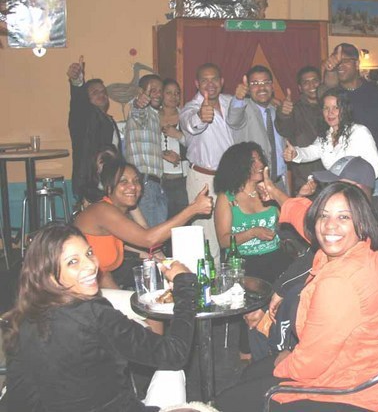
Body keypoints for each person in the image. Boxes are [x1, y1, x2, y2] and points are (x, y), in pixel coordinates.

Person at [216, 182, 378, 412]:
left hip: (348, 390)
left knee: (227, 401)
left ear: (361, 223)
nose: (330, 226)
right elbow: (302, 213)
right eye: (324, 215)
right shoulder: (364, 247)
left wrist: (286, 362)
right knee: (252, 373)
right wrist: (276, 193)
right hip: (365, 369)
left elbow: (310, 365)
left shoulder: (339, 283)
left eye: (343, 217)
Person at [1, 223, 197, 412]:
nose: (91, 265)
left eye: (88, 253)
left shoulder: (22, 321)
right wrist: (184, 284)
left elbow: (20, 402)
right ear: (50, 276)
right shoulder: (94, 316)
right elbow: (175, 354)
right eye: (72, 262)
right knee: (174, 372)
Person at [74, 159, 213, 289]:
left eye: (136, 181)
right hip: (82, 286)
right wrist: (193, 209)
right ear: (109, 188)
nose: (132, 186)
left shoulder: (116, 210)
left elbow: (121, 244)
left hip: (101, 279)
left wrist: (153, 257)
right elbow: (148, 239)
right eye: (123, 181)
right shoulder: (103, 210)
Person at [214, 142, 291, 359]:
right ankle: (249, 355)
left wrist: (290, 196)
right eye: (252, 161)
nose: (259, 164)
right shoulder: (228, 198)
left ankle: (281, 348)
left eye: (260, 159)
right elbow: (223, 240)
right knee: (253, 303)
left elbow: (289, 219)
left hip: (275, 256)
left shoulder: (269, 190)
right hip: (244, 262)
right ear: (239, 165)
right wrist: (252, 232)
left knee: (287, 295)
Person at [323, 43, 378, 205]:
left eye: (345, 61)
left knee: (376, 219)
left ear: (357, 64)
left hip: (375, 177)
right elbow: (327, 85)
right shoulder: (333, 96)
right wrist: (330, 69)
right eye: (336, 62)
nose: (340, 66)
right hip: (340, 178)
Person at [180, 63, 234, 266]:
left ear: (222, 82)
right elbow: (191, 123)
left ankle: (235, 278)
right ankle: (212, 281)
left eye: (214, 79)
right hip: (204, 179)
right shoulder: (190, 108)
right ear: (197, 83)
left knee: (235, 231)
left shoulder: (231, 102)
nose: (210, 84)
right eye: (204, 80)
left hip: (233, 178)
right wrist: (201, 117)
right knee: (208, 236)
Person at [283, 87, 378, 179]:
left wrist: (353, 181)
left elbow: (377, 168)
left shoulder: (359, 132)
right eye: (326, 108)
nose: (330, 112)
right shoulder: (326, 136)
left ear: (345, 109)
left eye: (336, 107)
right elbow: (311, 151)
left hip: (359, 188)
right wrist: (295, 153)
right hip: (339, 188)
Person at [67, 55, 122, 200]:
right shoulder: (83, 117)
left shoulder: (109, 120)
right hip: (90, 186)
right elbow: (78, 100)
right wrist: (77, 81)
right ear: (86, 99)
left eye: (103, 92)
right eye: (95, 92)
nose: (101, 95)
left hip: (109, 185)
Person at [227, 65, 287, 192]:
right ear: (248, 88)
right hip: (253, 185)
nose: (261, 87)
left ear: (272, 86)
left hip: (279, 183)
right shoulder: (244, 109)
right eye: (255, 83)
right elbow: (233, 120)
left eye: (266, 82)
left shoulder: (275, 111)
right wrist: (238, 99)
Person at [275, 65, 325, 195]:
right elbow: (284, 129)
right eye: (306, 82)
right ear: (300, 88)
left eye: (315, 80)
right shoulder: (295, 110)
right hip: (305, 178)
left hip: (331, 175)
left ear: (321, 82)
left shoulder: (330, 107)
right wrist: (284, 114)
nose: (311, 85)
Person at [125, 74, 168, 227]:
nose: (158, 94)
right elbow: (138, 112)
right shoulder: (139, 110)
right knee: (150, 235)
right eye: (152, 90)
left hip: (155, 184)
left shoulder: (155, 116)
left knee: (156, 235)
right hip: (145, 184)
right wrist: (139, 104)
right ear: (140, 91)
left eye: (160, 90)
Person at [159, 78, 189, 219]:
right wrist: (161, 154)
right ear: (161, 94)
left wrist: (178, 135)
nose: (173, 96)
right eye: (169, 93)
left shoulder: (186, 116)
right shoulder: (152, 117)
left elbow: (196, 146)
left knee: (181, 219)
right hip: (157, 179)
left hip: (182, 179)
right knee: (161, 220)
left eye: (177, 93)